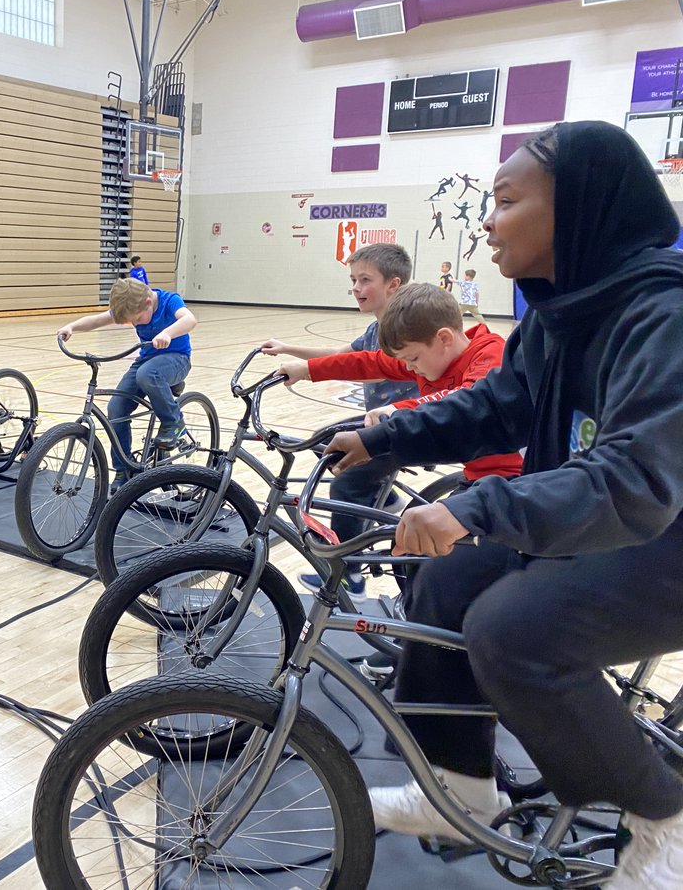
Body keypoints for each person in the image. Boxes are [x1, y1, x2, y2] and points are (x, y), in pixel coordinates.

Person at [325, 121, 683, 887]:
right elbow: (496, 405)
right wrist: (385, 435)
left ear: (578, 209)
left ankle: (664, 820)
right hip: (606, 518)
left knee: (511, 629)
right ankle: (459, 785)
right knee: (443, 579)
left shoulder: (665, 313)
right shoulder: (564, 310)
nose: (487, 220)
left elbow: (636, 476)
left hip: (664, 535)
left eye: (507, 200)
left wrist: (477, 507)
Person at [261, 243, 418, 600]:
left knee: (343, 485)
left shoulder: (404, 327)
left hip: (407, 423)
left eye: (366, 280)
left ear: (393, 285)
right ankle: (387, 498)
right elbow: (341, 356)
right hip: (381, 422)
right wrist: (289, 349)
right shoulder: (376, 328)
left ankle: (351, 578)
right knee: (324, 441)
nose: (357, 288)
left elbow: (366, 368)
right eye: (353, 280)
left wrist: (309, 371)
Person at [58, 277, 196, 494]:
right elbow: (96, 321)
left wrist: (168, 333)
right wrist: (71, 326)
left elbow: (190, 320)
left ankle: (174, 423)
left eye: (137, 319)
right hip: (147, 362)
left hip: (177, 359)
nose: (137, 324)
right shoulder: (135, 304)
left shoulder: (170, 301)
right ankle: (124, 469)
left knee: (147, 374)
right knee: (116, 407)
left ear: (148, 302)